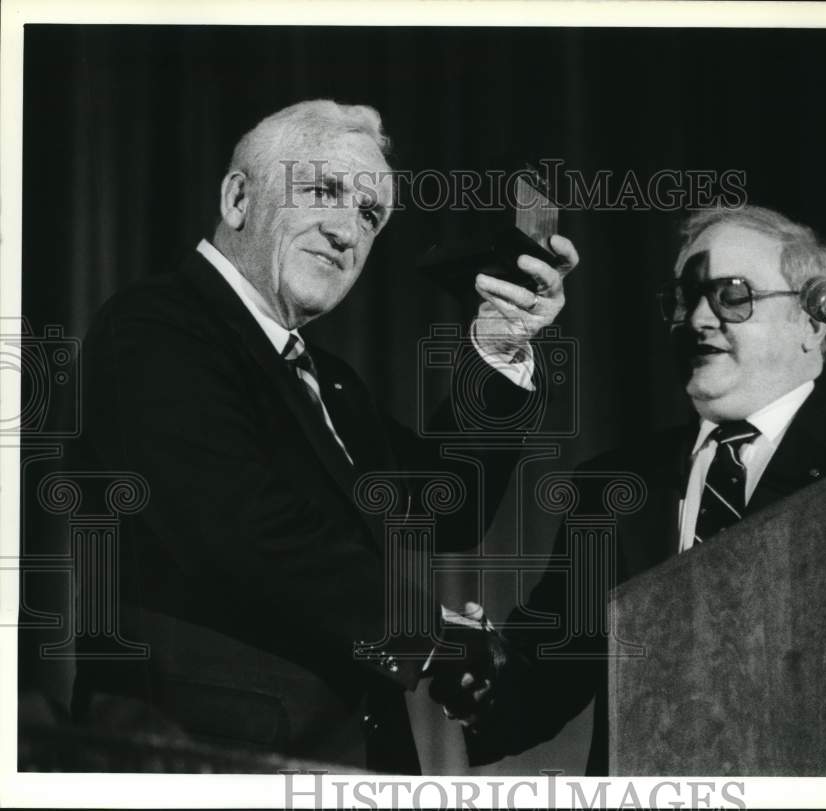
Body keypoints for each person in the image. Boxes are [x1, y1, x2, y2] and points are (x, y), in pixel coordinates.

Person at [71, 99, 578, 773]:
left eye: (369, 215)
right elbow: (237, 526)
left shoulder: (328, 381)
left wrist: (501, 342)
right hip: (206, 762)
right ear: (237, 197)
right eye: (321, 191)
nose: (346, 231)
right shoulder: (154, 327)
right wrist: (431, 637)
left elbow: (446, 505)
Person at [432, 205, 826, 774]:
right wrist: (481, 670)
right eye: (687, 297)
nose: (700, 319)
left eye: (733, 295)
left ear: (814, 323)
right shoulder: (612, 486)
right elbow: (543, 686)